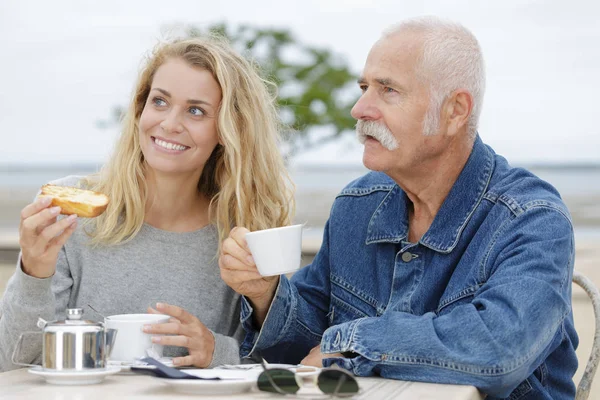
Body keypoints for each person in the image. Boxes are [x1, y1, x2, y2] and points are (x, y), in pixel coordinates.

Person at [219, 16, 578, 399]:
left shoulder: (532, 219)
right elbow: (307, 348)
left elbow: (498, 351)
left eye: (388, 90)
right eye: (364, 87)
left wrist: (352, 342)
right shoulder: (355, 207)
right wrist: (265, 294)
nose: (359, 109)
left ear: (455, 111)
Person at [0, 35, 294, 372]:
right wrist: (34, 273)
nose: (169, 124)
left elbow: (282, 365)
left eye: (196, 111)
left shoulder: (243, 235)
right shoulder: (70, 216)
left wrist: (217, 352)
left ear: (229, 130)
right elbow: (12, 364)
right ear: (140, 108)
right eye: (160, 102)